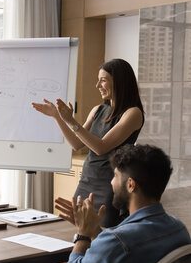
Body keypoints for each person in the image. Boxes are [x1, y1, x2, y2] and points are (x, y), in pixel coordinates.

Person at [0, 144, 191, 263]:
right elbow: (127, 250)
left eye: (115, 176)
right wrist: (96, 230)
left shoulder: (118, 241)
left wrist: (84, 235)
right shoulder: (178, 229)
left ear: (131, 184)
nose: (111, 183)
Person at [32, 58, 144, 228]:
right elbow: (76, 144)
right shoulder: (98, 110)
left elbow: (101, 147)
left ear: (120, 82)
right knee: (80, 230)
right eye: (98, 80)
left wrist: (71, 121)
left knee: (102, 234)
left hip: (110, 185)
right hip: (87, 179)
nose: (98, 85)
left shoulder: (133, 113)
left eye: (104, 80)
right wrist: (58, 117)